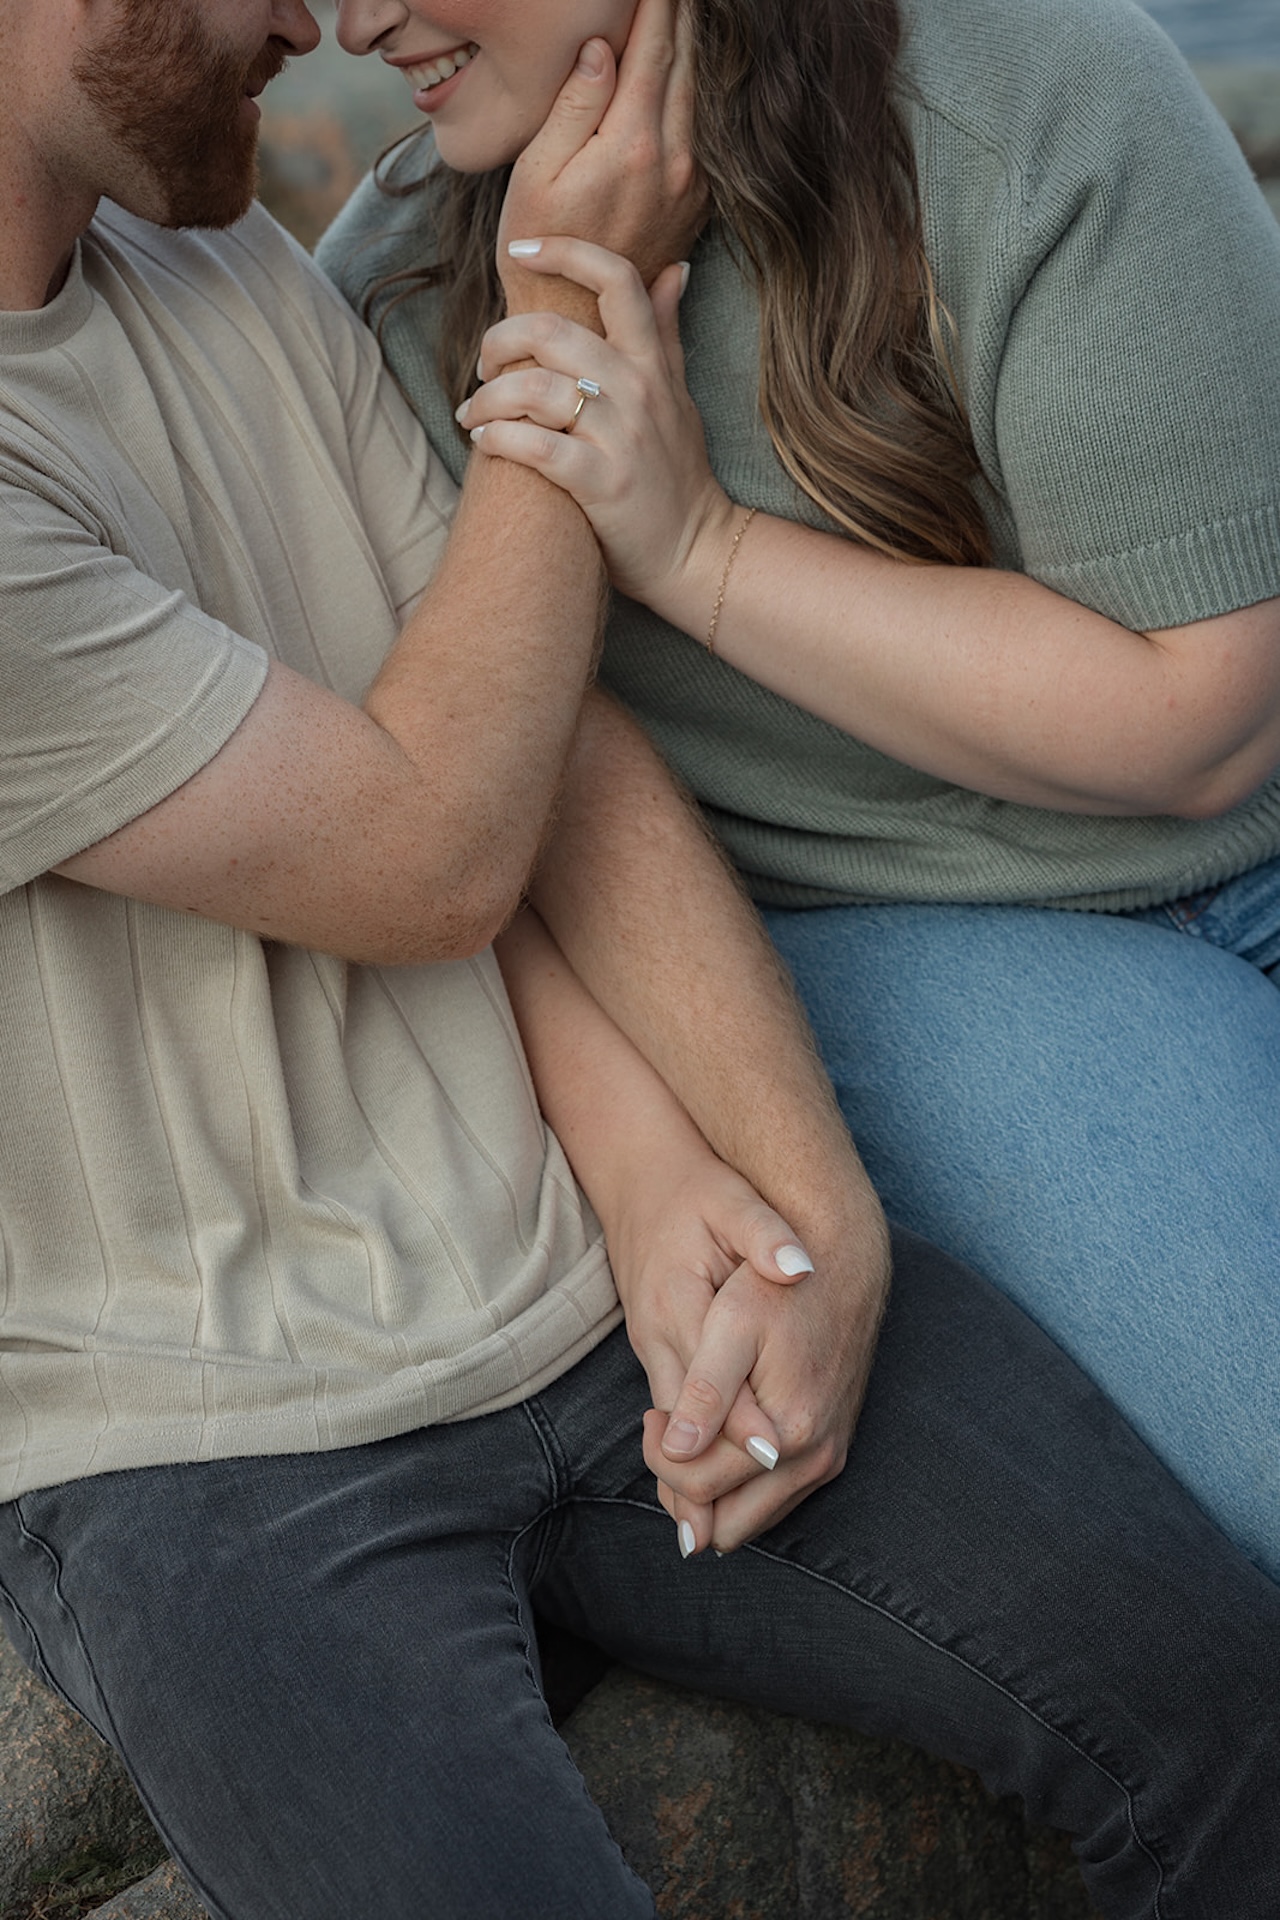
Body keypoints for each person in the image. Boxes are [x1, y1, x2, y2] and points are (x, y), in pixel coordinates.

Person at [1, 2, 1278, 1916]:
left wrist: (767, 1191)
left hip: (574, 1281)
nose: (331, 19)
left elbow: (540, 748)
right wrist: (575, 335)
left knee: (1231, 1717)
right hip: (205, 1436)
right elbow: (437, 840)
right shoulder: (366, 280)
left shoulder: (226, 273)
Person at [320, 0, 1280, 1583]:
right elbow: (455, 818)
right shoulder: (375, 311)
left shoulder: (1025, 87)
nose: (363, 19)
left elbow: (1207, 720)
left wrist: (697, 547)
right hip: (921, 947)